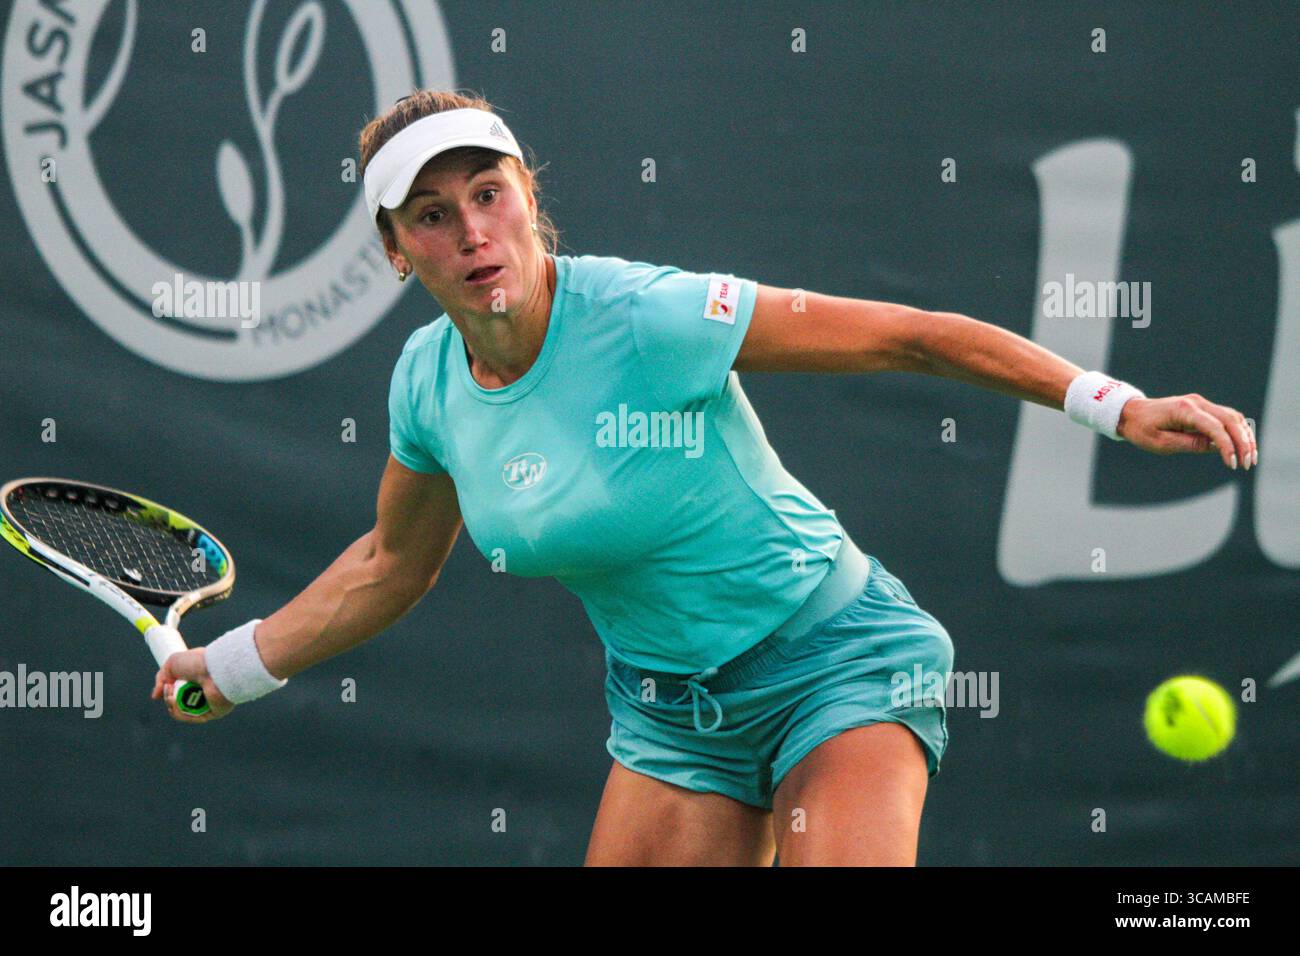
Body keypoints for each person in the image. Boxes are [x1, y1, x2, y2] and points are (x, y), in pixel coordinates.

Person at [152, 90, 1258, 866]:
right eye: (433, 216)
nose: (473, 232)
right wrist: (236, 665)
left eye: (488, 193)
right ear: (396, 249)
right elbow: (392, 561)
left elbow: (909, 337)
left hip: (840, 663)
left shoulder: (648, 316)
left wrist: (1116, 405)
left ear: (528, 195)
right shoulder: (426, 385)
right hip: (670, 718)